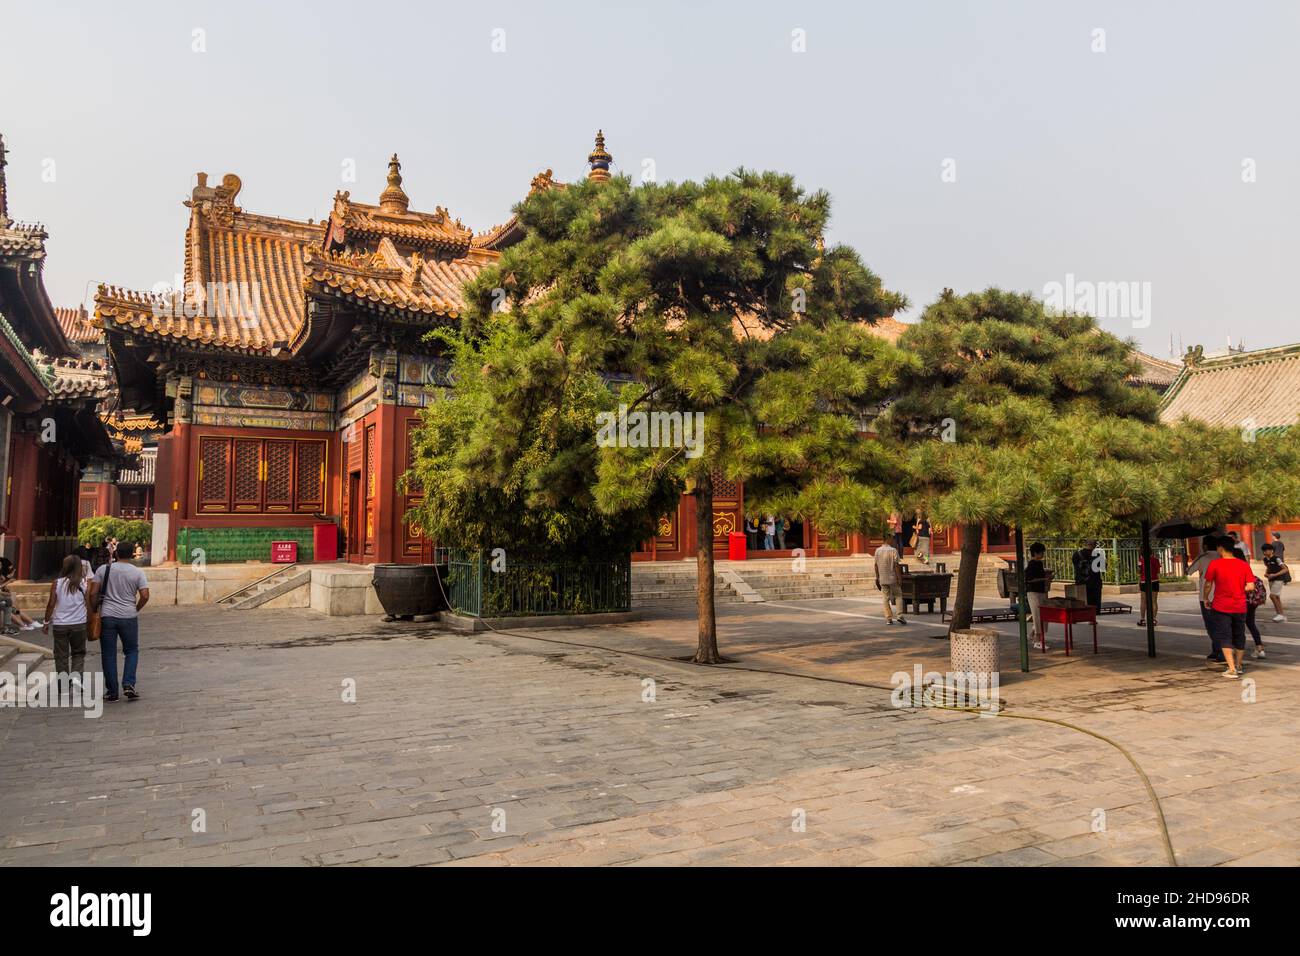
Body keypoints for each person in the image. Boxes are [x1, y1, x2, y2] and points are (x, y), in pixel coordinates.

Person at [89, 543, 150, 702]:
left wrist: (94, 608)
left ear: (115, 553)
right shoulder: (137, 572)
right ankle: (129, 683)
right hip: (129, 615)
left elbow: (93, 592)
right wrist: (135, 608)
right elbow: (145, 595)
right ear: (131, 555)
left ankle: (112, 692)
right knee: (131, 651)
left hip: (108, 615)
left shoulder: (104, 570)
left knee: (108, 654)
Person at [1204, 535, 1256, 679]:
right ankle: (1239, 666)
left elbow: (1208, 584)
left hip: (1221, 606)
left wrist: (1205, 598)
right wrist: (1239, 589)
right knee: (1239, 635)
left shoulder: (1215, 564)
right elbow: (1250, 586)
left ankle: (1231, 668)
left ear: (1220, 548)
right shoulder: (1243, 565)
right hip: (1240, 606)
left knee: (1225, 635)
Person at [42, 554, 90, 692]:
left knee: (61, 655)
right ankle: (77, 678)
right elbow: (88, 604)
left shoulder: (57, 583)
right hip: (79, 623)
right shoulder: (85, 582)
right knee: (78, 653)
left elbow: (51, 604)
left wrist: (46, 622)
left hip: (60, 625)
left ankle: (63, 685)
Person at [1186, 534, 1225, 664]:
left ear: (1205, 546)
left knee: (1211, 625)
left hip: (1206, 596)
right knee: (1221, 624)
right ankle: (1217, 649)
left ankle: (1219, 650)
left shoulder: (1203, 558)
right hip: (1222, 594)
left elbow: (1189, 571)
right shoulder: (1222, 557)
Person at [0, 554, 43, 631]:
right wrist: (8, 581)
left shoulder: (3, 575)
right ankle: (23, 624)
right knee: (9, 607)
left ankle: (29, 622)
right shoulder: (3, 577)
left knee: (14, 607)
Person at [873, 538, 907, 625]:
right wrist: (899, 578)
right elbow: (896, 565)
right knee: (898, 595)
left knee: (885, 598)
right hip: (893, 578)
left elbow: (876, 565)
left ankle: (888, 618)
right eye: (892, 539)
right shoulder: (893, 550)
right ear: (888, 539)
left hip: (883, 578)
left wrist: (877, 577)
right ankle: (899, 615)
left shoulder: (877, 551)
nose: (893, 541)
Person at [1024, 542, 1052, 648]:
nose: (1042, 555)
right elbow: (1030, 580)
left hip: (1041, 591)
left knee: (1043, 614)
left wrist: (1047, 578)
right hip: (1033, 592)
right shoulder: (1031, 564)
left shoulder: (1039, 563)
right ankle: (1037, 640)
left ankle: (1032, 635)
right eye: (1041, 553)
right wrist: (1044, 579)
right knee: (1037, 615)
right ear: (1035, 553)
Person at [1262, 542, 1289, 623]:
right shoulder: (1265, 559)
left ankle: (1280, 615)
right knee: (1277, 597)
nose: (1264, 552)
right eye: (1263, 551)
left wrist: (1275, 575)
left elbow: (1285, 569)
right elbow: (1268, 567)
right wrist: (1266, 573)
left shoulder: (1277, 559)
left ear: (1271, 551)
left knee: (1272, 596)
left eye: (1266, 550)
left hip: (1279, 579)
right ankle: (1282, 615)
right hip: (1271, 579)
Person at [1137, 550, 1160, 627]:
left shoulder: (1140, 560)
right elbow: (1158, 571)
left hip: (1144, 581)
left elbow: (1139, 572)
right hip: (1154, 581)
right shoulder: (1156, 560)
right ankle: (1153, 619)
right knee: (1154, 601)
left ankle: (1143, 619)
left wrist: (1139, 582)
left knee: (1143, 601)